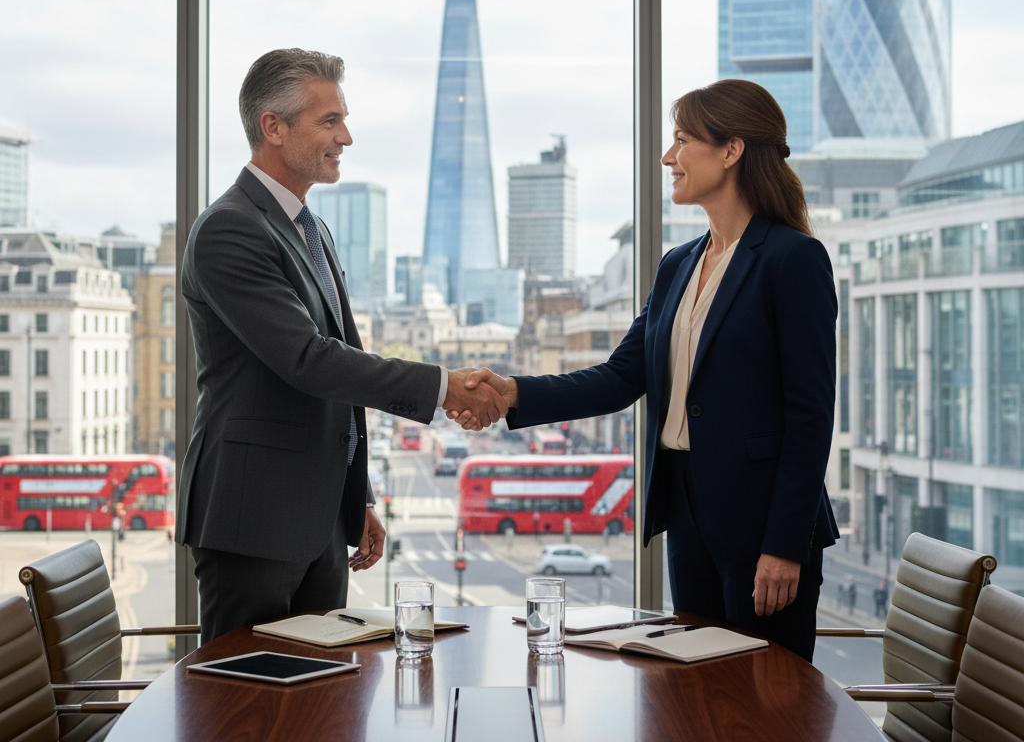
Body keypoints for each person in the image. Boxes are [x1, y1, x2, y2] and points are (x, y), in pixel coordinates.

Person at [454, 79, 839, 661]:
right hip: (686, 508)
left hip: (763, 522)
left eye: (683, 140)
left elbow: (811, 416)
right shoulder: (678, 264)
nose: (668, 157)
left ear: (731, 150)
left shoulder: (793, 259)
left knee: (766, 699)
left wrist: (785, 544)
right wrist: (511, 393)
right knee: (696, 687)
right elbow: (620, 376)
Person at [175, 48, 506, 643]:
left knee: (323, 698)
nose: (346, 136)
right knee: (245, 707)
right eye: (329, 121)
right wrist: (443, 385)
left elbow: (340, 363)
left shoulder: (311, 228)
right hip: (252, 518)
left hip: (318, 519)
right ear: (273, 127)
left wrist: (357, 498)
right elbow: (308, 360)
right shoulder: (229, 229)